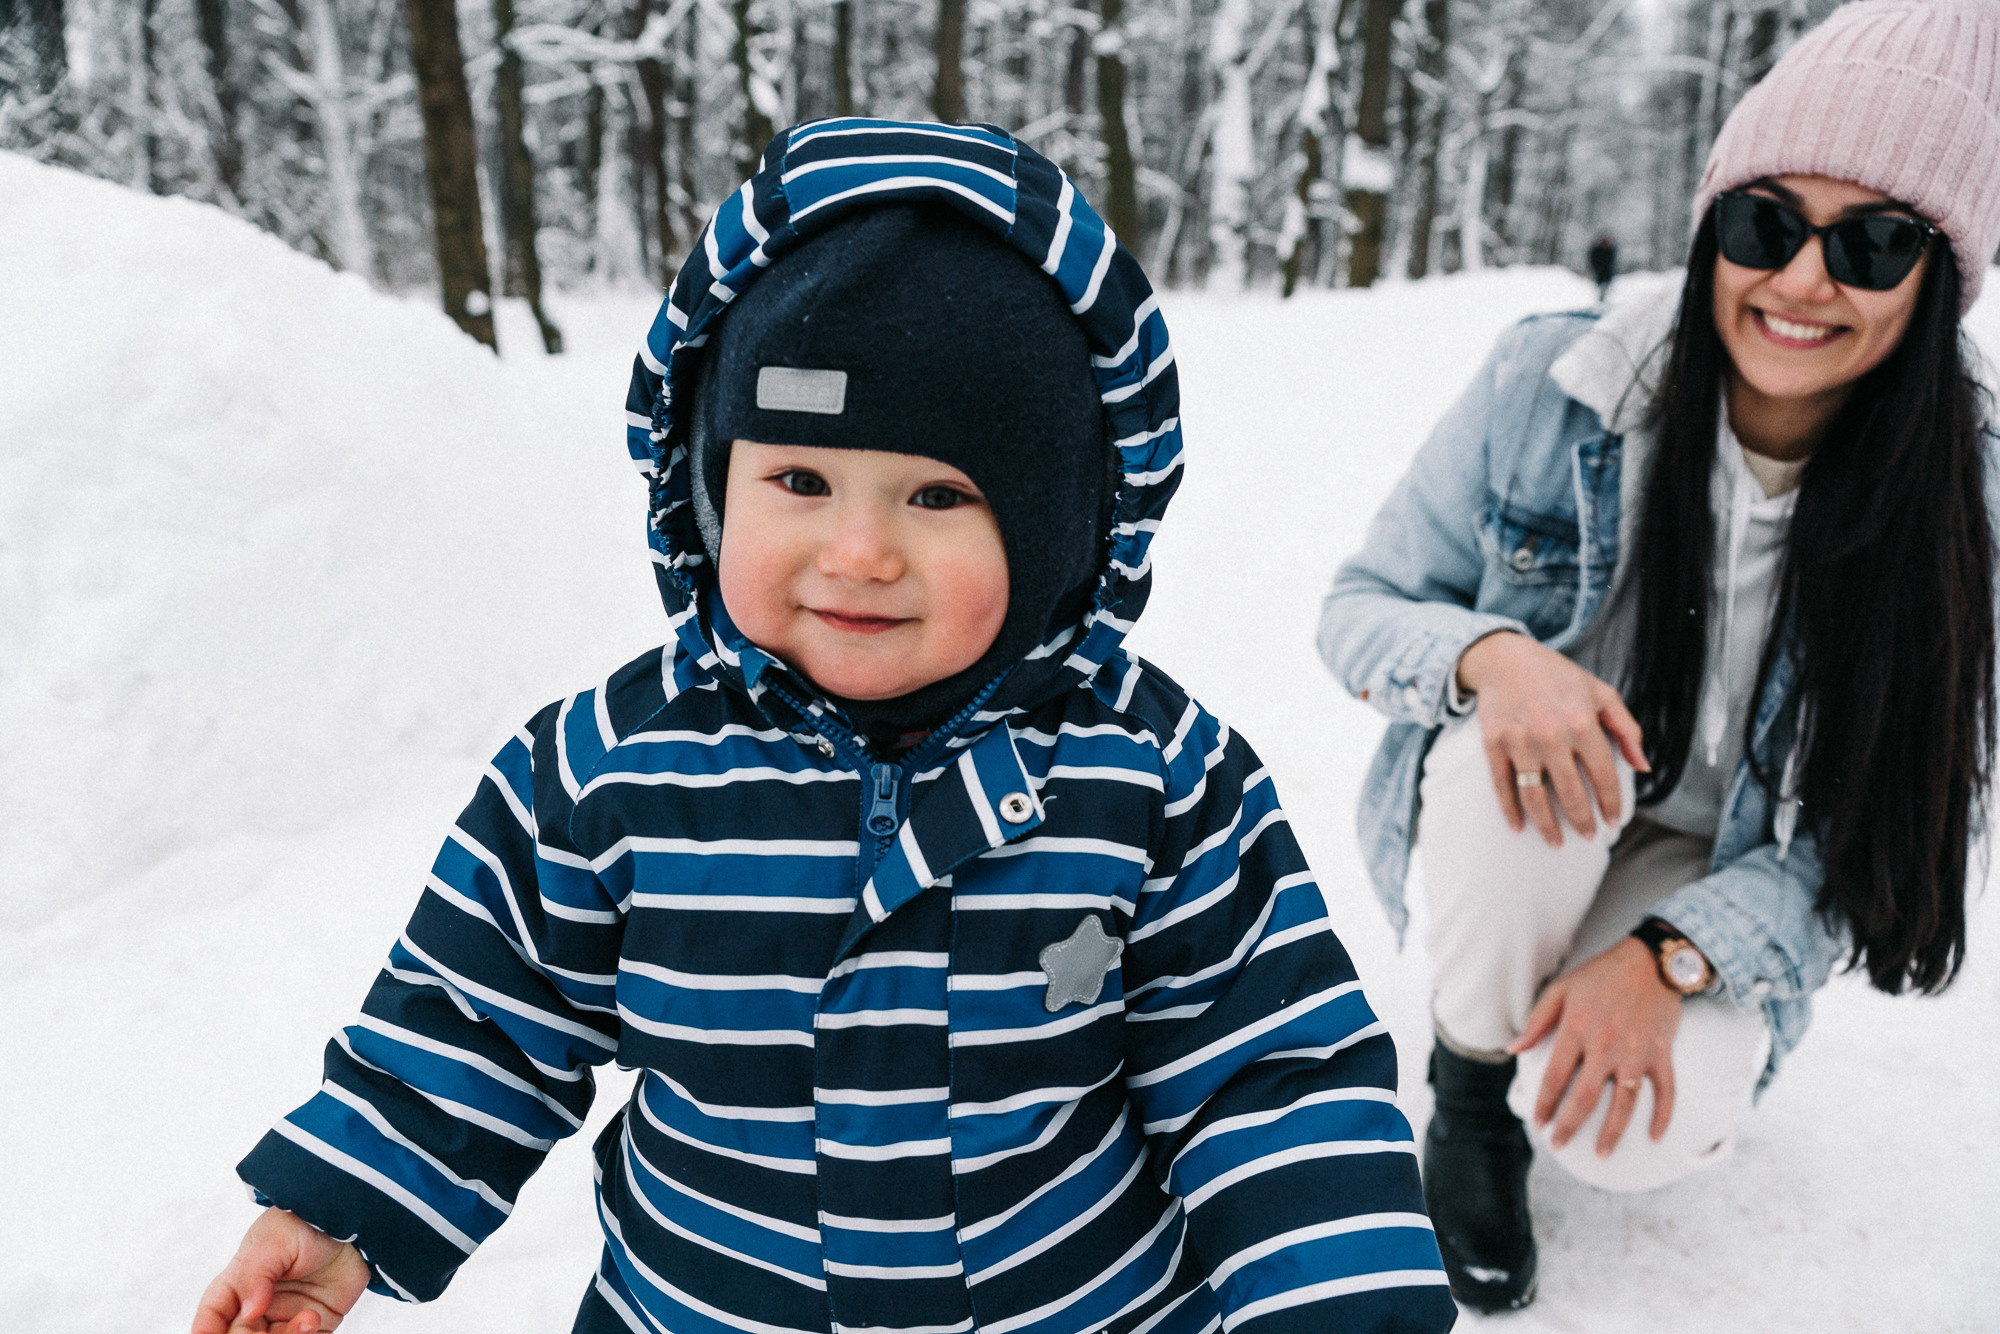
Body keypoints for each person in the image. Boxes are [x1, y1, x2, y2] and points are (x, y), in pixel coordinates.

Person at [193, 122, 1459, 1334]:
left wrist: (1337, 1300)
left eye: (937, 494)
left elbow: (1269, 1074)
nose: (857, 551)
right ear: (706, 486)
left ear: (1061, 526)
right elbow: (475, 1019)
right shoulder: (600, 772)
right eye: (797, 480)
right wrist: (340, 1210)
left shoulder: (1150, 777)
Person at [1316, 0, 2000, 1314]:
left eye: (1870, 242)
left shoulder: (1963, 497)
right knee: (1510, 745)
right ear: (1710, 226)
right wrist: (1494, 658)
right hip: (1525, 826)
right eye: (1766, 222)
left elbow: (1891, 827)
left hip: (1721, 868)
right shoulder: (1555, 379)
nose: (1802, 281)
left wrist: (1678, 954)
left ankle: (1576, 1025)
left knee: (1628, 1133)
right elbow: (1362, 603)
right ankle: (1470, 1080)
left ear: (1934, 278)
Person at [1587, 233, 1618, 302]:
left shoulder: (1610, 250)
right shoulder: (1596, 250)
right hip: (1599, 272)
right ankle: (1600, 299)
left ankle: (1605, 298)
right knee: (1600, 287)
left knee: (1607, 287)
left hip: (1607, 272)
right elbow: (1592, 260)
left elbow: (1612, 261)